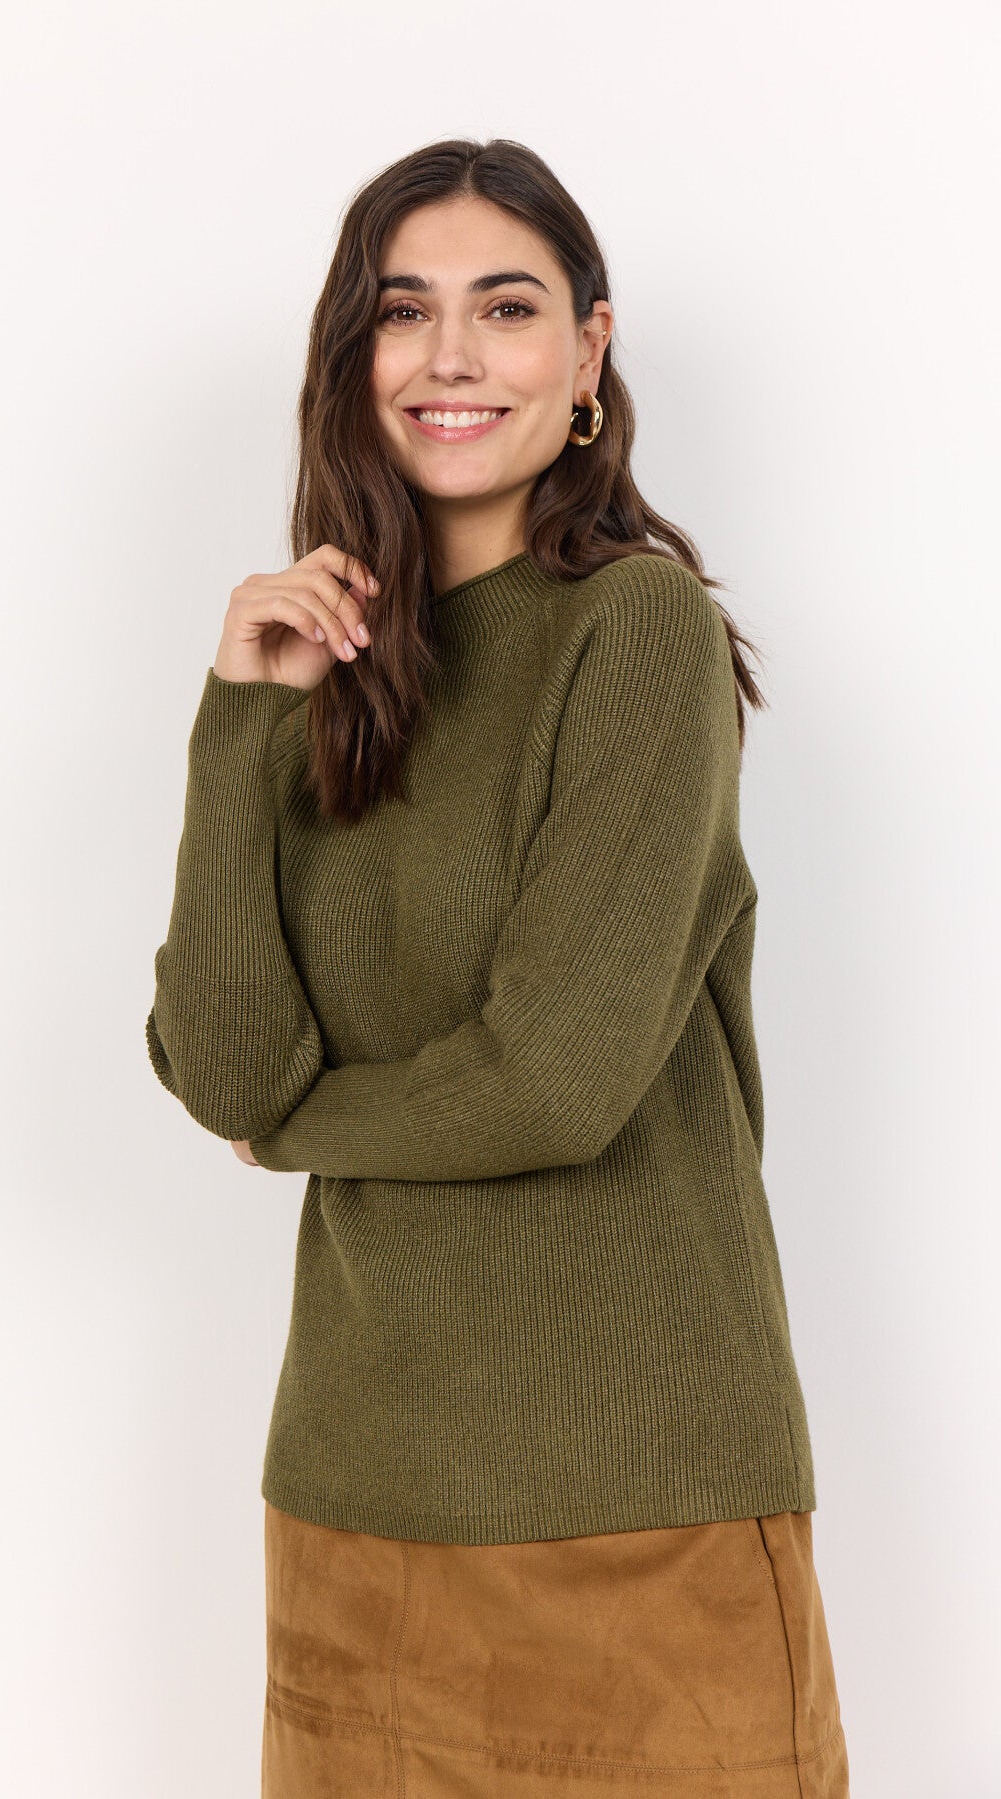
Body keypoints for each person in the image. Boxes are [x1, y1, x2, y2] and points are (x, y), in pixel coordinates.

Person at [146, 137, 851, 1798]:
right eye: (404, 312)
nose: (451, 356)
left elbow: (554, 1080)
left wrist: (294, 1134)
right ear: (355, 358)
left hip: (634, 1509)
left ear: (589, 352)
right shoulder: (330, 673)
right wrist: (241, 718)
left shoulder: (638, 632)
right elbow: (228, 1069)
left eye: (508, 308)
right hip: (354, 1502)